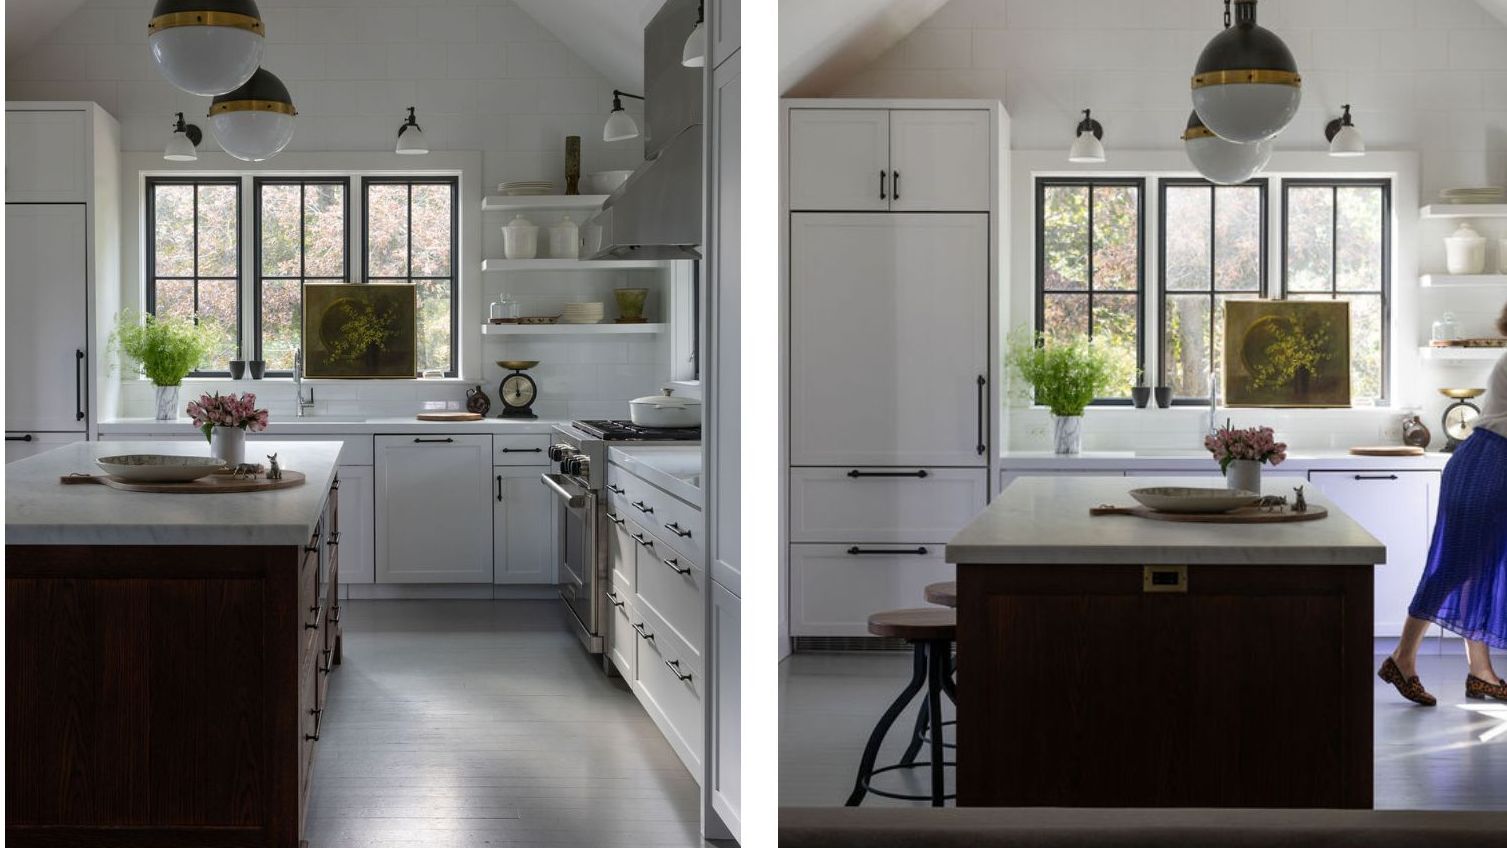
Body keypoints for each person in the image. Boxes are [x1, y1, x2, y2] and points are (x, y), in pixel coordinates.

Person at [1379, 302, 1507, 705]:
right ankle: (1402, 658)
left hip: (1485, 461)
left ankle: (1480, 672)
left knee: (1476, 566)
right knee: (1457, 565)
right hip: (1490, 464)